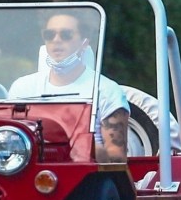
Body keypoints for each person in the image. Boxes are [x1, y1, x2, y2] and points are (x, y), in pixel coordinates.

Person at [8, 11, 130, 162]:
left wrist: (87, 148)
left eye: (66, 35)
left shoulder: (106, 90)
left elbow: (117, 159)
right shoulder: (22, 89)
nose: (56, 40)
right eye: (49, 35)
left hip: (86, 177)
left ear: (84, 42)